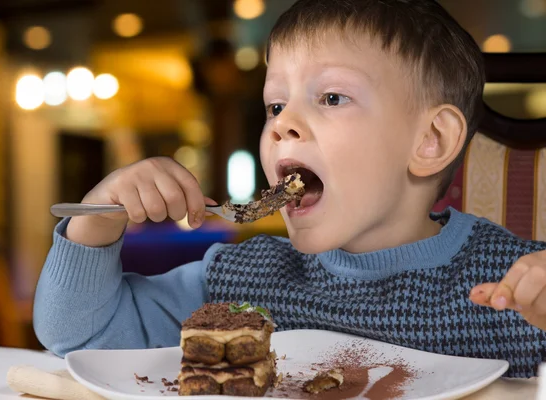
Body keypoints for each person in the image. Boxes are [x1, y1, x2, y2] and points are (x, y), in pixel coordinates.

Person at [33, 0, 546, 378]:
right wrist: (98, 218)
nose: (283, 125)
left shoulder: (518, 285)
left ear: (430, 141)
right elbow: (77, 338)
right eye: (275, 105)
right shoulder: (237, 285)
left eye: (331, 96)